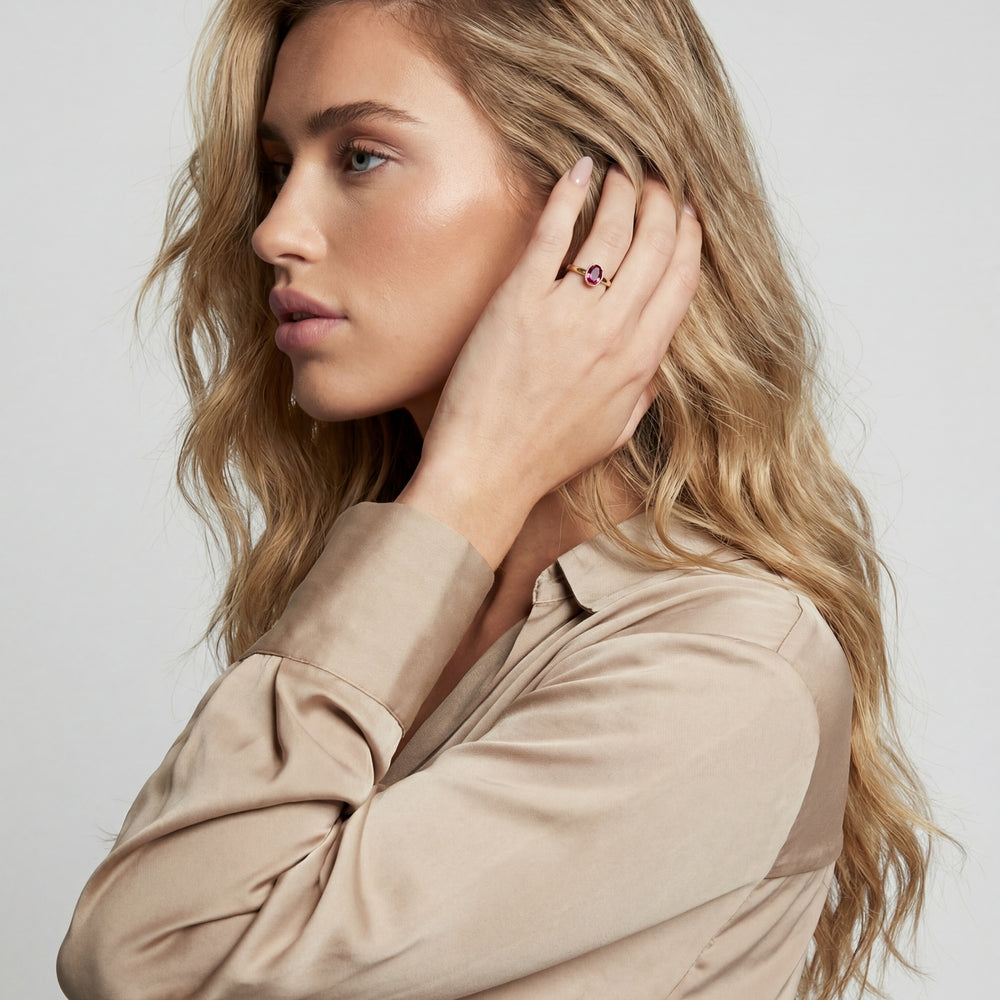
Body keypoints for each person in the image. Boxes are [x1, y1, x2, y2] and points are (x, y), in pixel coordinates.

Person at [57, 1, 935, 997]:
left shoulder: (724, 667)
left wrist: (473, 477)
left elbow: (147, 962)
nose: (273, 232)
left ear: (596, 204)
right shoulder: (410, 586)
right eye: (275, 168)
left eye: (360, 157)